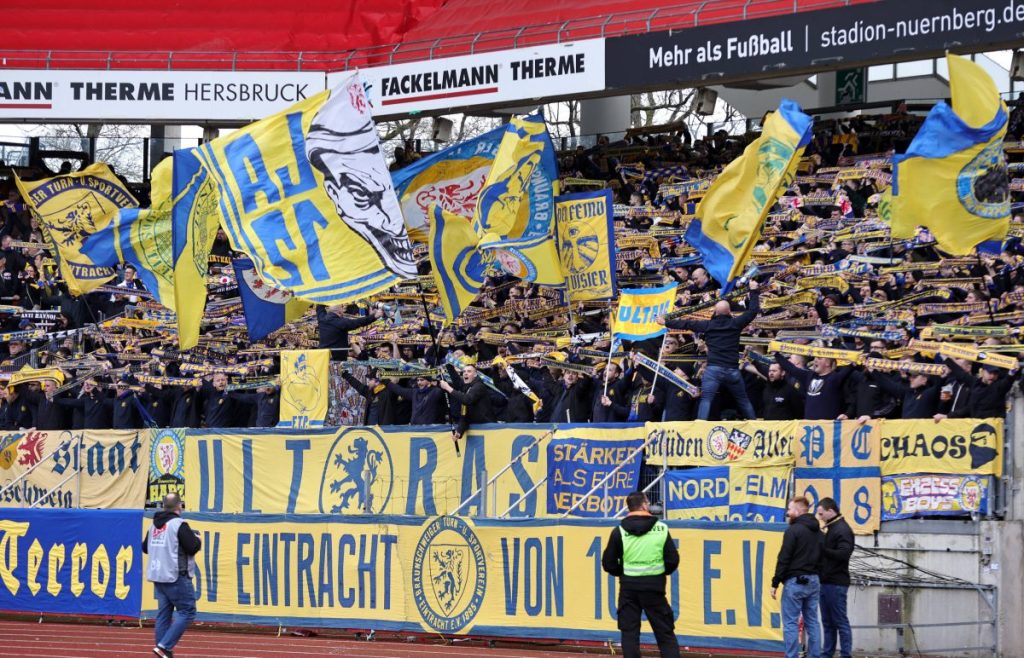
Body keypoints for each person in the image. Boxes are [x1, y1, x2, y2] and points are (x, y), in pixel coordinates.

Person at [658, 279, 760, 420]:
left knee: (706, 400)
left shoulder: (708, 325)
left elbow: (687, 323)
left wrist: (666, 322)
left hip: (713, 370)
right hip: (732, 370)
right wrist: (754, 291)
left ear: (715, 312)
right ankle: (753, 423)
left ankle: (701, 426)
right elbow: (753, 311)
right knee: (743, 400)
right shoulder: (736, 323)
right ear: (729, 311)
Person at [601, 491, 680, 658]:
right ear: (644, 505)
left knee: (629, 634)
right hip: (654, 588)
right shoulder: (662, 529)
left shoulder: (619, 531)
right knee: (665, 634)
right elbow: (673, 560)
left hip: (629, 588)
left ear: (629, 507)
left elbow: (608, 563)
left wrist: (622, 572)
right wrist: (659, 574)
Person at [143, 493, 201, 658]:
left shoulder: (153, 525)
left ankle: (161, 649)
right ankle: (164, 646)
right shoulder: (179, 524)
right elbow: (192, 547)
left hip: (158, 576)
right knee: (187, 612)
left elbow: (145, 547)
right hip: (175, 576)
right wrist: (197, 539)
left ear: (163, 506)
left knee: (164, 614)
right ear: (179, 506)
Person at [772, 496, 822, 658]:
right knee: (813, 622)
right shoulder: (819, 532)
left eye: (790, 509)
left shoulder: (793, 531)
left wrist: (775, 582)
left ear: (799, 511)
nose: (788, 512)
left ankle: (792, 656)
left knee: (790, 623)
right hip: (814, 580)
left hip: (795, 581)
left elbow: (784, 558)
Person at [817, 497, 854, 658]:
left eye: (821, 513)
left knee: (840, 622)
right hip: (826, 581)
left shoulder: (842, 529)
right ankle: (827, 653)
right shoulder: (833, 528)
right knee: (827, 623)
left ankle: (845, 655)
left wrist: (823, 550)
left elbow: (844, 553)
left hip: (836, 582)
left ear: (831, 511)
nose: (820, 517)